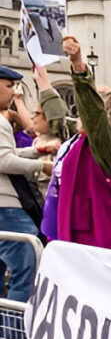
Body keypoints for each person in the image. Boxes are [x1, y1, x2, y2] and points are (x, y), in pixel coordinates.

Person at [41, 37, 111, 252]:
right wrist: (44, 85)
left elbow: (93, 115)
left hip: (98, 240)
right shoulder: (79, 140)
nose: (79, 107)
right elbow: (59, 125)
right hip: (75, 233)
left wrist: (79, 67)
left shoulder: (109, 142)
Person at [0, 64, 51, 304]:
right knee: (27, 267)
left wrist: (35, 151)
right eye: (9, 86)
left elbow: (7, 154)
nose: (13, 92)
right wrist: (42, 165)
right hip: (6, 207)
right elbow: (4, 160)